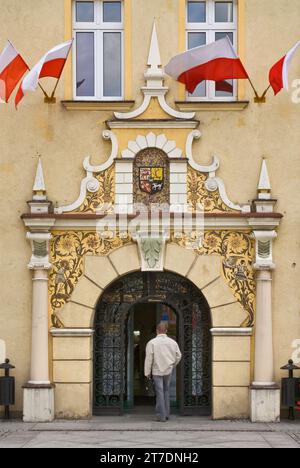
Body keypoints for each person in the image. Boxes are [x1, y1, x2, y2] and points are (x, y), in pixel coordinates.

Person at [144, 322, 182, 422]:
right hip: (168, 370)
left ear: (157, 330)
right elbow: (179, 355)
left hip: (157, 370)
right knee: (166, 390)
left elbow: (149, 359)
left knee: (159, 392)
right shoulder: (172, 342)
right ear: (166, 331)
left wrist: (147, 372)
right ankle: (167, 414)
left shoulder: (152, 343)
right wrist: (173, 365)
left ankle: (161, 416)